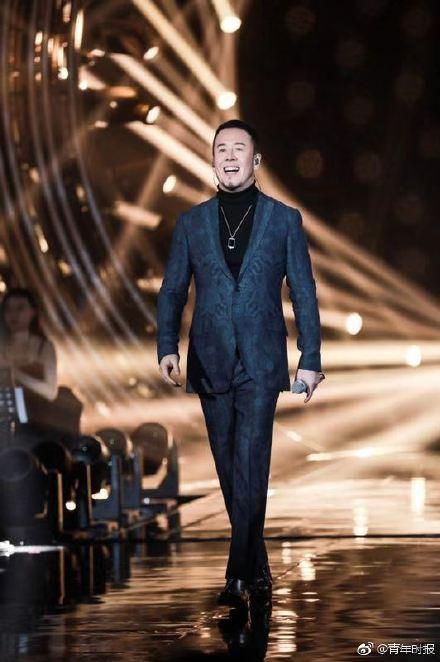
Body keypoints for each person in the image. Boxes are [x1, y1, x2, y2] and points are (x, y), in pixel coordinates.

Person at [157, 119, 325, 609]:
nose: (229, 156)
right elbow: (172, 290)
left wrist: (310, 358)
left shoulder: (284, 219)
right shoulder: (191, 223)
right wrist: (166, 345)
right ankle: (258, 568)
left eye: (238, 149)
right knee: (230, 470)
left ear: (256, 161)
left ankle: (235, 576)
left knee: (252, 461)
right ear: (213, 161)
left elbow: (304, 292)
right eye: (221, 149)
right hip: (209, 358)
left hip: (261, 359)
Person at [0, 287, 58, 444]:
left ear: (33, 312)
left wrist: (16, 374)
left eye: (20, 308)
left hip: (35, 424)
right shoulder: (2, 346)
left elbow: (51, 392)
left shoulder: (44, 347)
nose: (13, 315)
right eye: (8, 309)